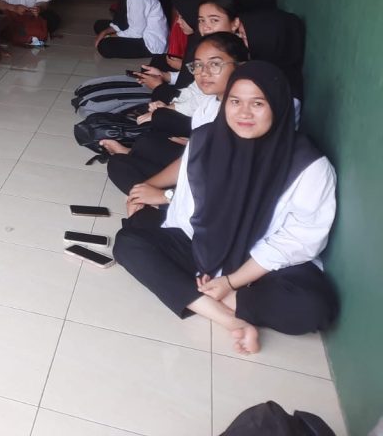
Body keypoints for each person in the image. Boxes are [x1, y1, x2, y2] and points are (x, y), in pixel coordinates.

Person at [114, 62, 338, 354]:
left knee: (313, 308)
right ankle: (229, 318)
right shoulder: (205, 140)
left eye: (257, 103)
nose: (244, 113)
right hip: (200, 247)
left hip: (258, 267)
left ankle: (201, 292)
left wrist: (232, 281)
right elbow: (186, 210)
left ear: (278, 106)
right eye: (235, 101)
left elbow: (298, 240)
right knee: (129, 242)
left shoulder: (309, 166)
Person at [104, 32, 250, 195]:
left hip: (214, 191)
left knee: (144, 147)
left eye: (215, 64)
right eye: (198, 65)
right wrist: (144, 192)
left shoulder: (243, 113)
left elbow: (219, 172)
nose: (203, 72)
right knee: (130, 155)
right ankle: (145, 186)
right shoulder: (211, 102)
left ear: (240, 66)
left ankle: (156, 202)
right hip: (198, 167)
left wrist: (163, 197)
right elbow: (195, 155)